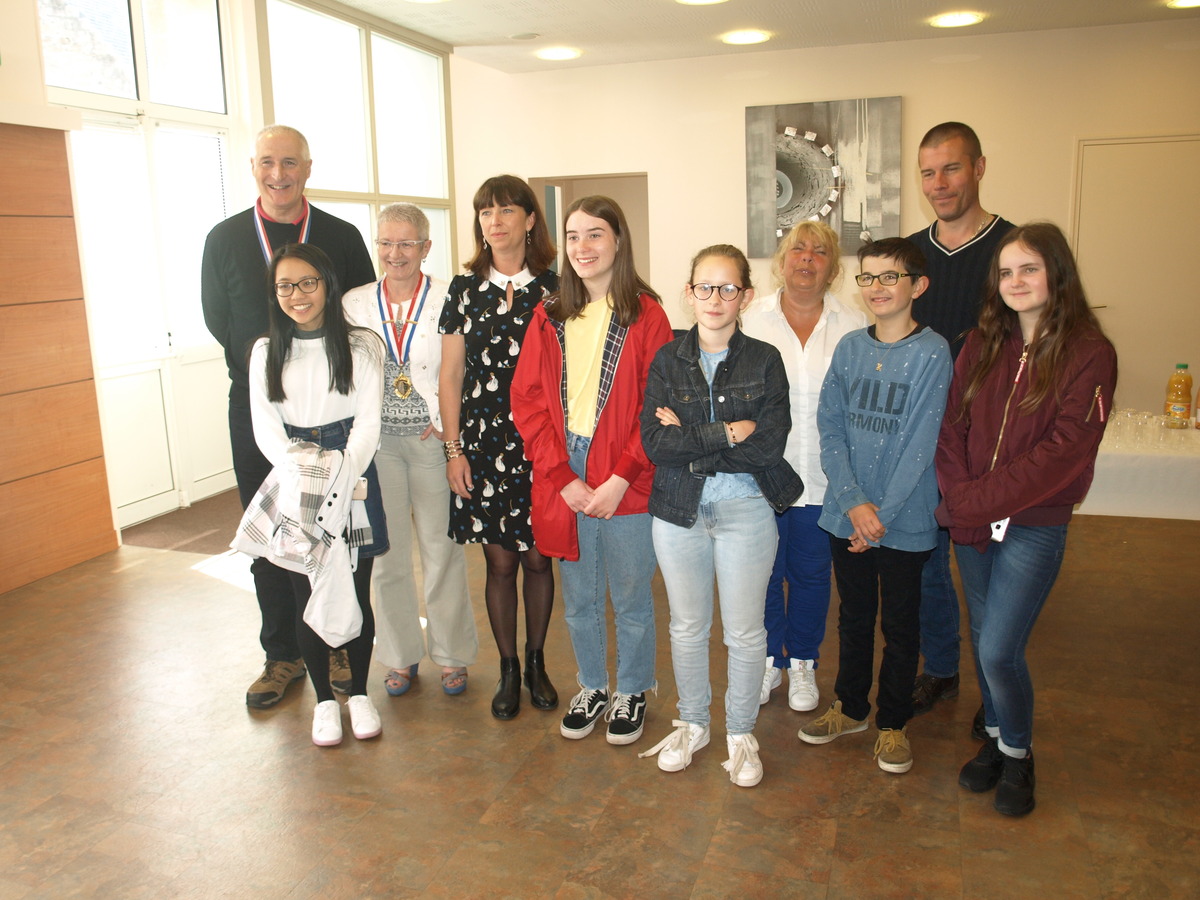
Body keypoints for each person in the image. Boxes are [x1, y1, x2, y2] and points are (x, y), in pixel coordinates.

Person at [936, 222, 1115, 816]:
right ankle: (992, 739)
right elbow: (952, 429)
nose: (1015, 282)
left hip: (1034, 524)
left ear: (1056, 274)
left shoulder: (1090, 353)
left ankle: (1017, 753)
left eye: (1029, 269)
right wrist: (963, 497)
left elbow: (1063, 455)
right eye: (1006, 272)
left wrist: (970, 502)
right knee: (983, 636)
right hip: (973, 522)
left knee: (999, 650)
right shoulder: (981, 341)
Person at [202, 124, 376, 709]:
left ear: (308, 167)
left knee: (340, 538)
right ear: (253, 166)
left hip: (334, 413)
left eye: (290, 163)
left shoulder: (341, 236)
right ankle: (282, 654)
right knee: (277, 540)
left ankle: (337, 645)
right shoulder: (225, 239)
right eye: (267, 163)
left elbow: (357, 316)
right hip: (262, 410)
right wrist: (268, 376)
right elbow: (218, 321)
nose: (279, 174)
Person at [637, 244, 801, 787]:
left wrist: (691, 437)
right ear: (689, 293)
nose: (715, 298)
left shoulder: (764, 360)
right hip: (678, 511)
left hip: (746, 509)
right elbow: (658, 446)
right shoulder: (666, 359)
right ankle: (692, 721)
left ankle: (739, 731)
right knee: (686, 626)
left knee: (745, 631)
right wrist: (730, 430)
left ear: (746, 296)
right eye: (704, 287)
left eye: (728, 288)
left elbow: (768, 447)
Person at [512, 196, 672, 746]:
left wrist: (623, 476)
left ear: (619, 241)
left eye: (595, 235)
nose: (582, 247)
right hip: (566, 466)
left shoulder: (646, 313)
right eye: (574, 236)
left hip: (628, 468)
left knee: (630, 592)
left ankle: (631, 689)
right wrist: (564, 478)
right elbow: (528, 402)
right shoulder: (549, 315)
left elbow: (657, 403)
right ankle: (593, 685)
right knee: (578, 594)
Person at [799, 238, 951, 775]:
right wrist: (853, 503)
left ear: (918, 285)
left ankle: (892, 724)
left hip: (903, 519)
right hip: (849, 514)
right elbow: (830, 427)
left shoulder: (933, 352)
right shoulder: (849, 348)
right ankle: (852, 707)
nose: (877, 288)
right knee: (855, 616)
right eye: (867, 278)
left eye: (890, 277)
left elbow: (920, 443)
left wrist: (879, 514)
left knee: (902, 623)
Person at [240, 243, 387, 746]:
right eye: (285, 285)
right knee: (306, 590)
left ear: (327, 283)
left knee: (356, 585)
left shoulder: (363, 345)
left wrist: (342, 474)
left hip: (352, 466)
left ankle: (360, 694)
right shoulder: (265, 351)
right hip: (295, 471)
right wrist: (304, 475)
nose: (297, 295)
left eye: (307, 283)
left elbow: (368, 423)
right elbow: (266, 429)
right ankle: (325, 701)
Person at [907, 123, 1016, 726]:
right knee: (928, 569)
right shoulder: (910, 255)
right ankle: (941, 670)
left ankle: (997, 697)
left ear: (978, 167)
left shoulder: (1013, 249)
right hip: (923, 441)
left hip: (988, 449)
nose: (939, 184)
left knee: (989, 577)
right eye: (928, 172)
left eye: (951, 169)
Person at [438, 175, 559, 720]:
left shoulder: (559, 287)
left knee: (538, 560)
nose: (495, 220)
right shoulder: (462, 290)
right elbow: (450, 377)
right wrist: (453, 450)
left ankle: (538, 662)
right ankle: (507, 668)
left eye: (507, 209)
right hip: (483, 446)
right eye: (486, 211)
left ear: (530, 219)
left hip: (541, 445)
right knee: (500, 563)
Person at [344, 204, 476, 698]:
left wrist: (450, 430)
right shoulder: (354, 303)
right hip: (377, 446)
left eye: (405, 244)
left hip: (430, 438)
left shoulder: (448, 296)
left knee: (442, 550)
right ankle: (398, 656)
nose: (394, 254)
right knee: (387, 554)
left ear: (425, 247)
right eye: (385, 243)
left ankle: (452, 655)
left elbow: (458, 371)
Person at [742, 221, 866, 714]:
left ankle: (804, 664)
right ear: (782, 260)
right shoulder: (751, 320)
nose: (807, 259)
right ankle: (771, 658)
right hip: (761, 477)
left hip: (824, 478)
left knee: (813, 575)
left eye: (819, 252)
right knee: (765, 575)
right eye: (798, 250)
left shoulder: (854, 324)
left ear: (832, 267)